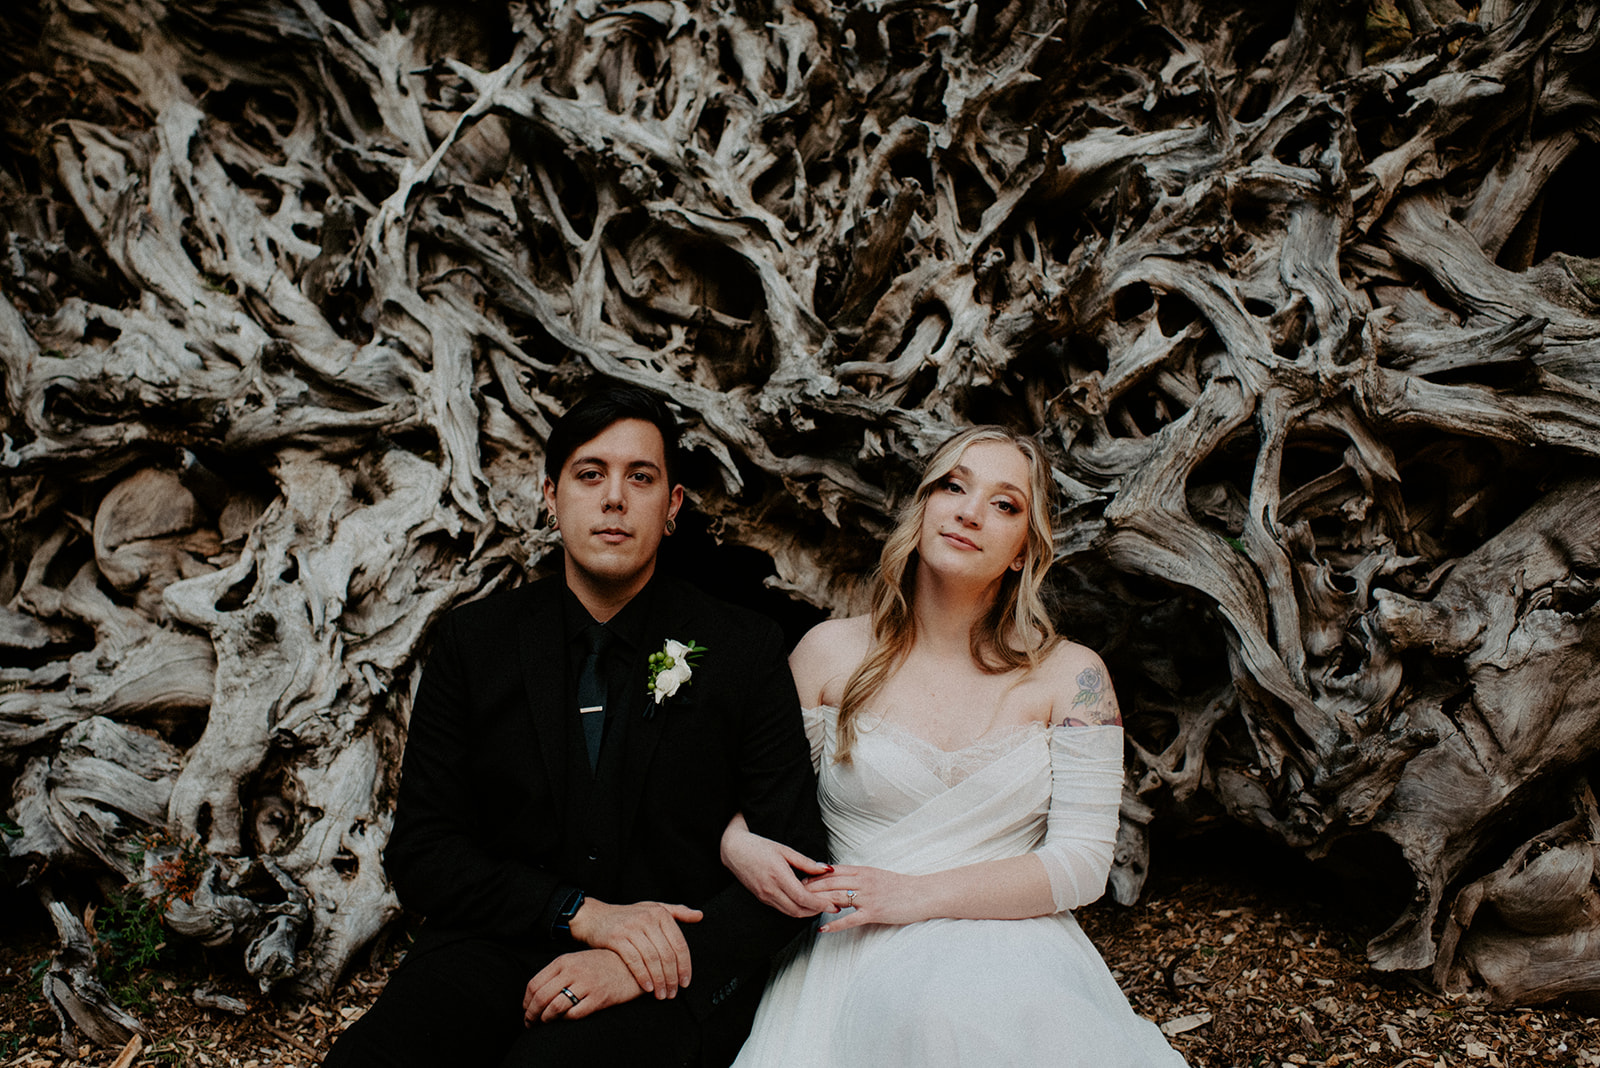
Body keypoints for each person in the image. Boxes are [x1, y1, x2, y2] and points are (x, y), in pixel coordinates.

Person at [324, 386, 828, 1068]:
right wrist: (579, 913)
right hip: (499, 940)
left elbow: (795, 867)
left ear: (672, 507)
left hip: (668, 974)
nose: (614, 498)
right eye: (591, 474)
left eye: (640, 477)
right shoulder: (477, 642)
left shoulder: (744, 649)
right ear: (550, 495)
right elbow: (423, 852)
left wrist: (644, 963)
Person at [720, 425, 1190, 1067]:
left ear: (1025, 550)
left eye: (1005, 504)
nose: (970, 511)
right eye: (953, 486)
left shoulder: (1072, 677)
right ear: (924, 507)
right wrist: (737, 842)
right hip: (852, 946)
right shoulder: (827, 653)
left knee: (964, 1014)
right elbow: (765, 800)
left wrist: (915, 896)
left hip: (1013, 943)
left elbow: (1082, 864)